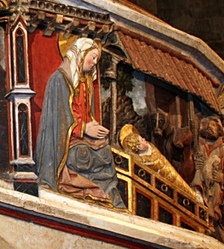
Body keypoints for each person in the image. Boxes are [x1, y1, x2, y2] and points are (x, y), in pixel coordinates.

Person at [35, 36, 125, 208]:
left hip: (81, 136)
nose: (94, 63)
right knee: (82, 155)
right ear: (81, 55)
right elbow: (59, 119)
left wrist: (94, 127)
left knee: (105, 150)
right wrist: (84, 129)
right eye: (93, 57)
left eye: (97, 59)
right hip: (64, 142)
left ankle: (109, 198)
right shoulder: (59, 80)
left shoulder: (86, 82)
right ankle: (86, 190)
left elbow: (86, 114)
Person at [118, 124, 202, 202]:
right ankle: (193, 196)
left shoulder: (151, 148)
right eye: (141, 140)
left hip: (167, 168)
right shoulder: (143, 161)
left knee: (179, 181)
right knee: (176, 185)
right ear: (138, 147)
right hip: (162, 180)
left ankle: (193, 195)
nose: (144, 139)